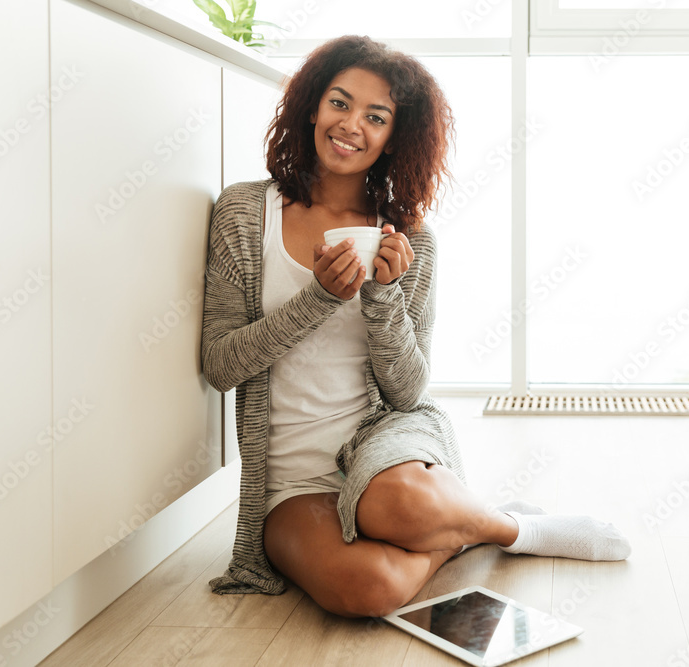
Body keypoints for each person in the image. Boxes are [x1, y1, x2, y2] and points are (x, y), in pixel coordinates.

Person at [200, 35, 630, 619]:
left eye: (376, 117)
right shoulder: (245, 213)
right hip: (291, 480)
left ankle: (515, 529)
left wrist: (381, 297)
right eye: (340, 103)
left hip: (382, 444)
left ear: (394, 138)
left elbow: (406, 393)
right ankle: (471, 528)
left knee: (397, 506)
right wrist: (320, 298)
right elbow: (221, 366)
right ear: (311, 106)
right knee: (367, 591)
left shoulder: (411, 242)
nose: (352, 125)